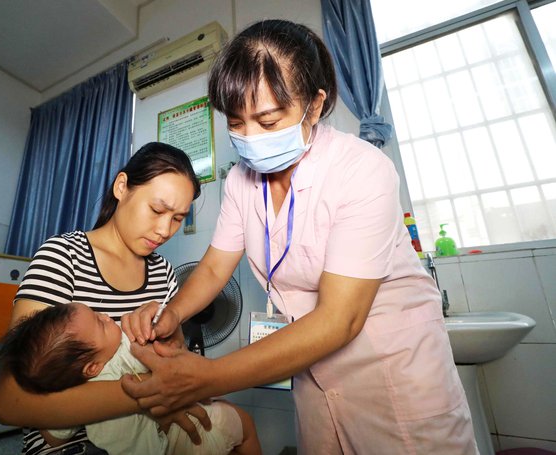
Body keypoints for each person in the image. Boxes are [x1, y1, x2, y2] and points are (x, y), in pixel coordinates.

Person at [120, 19, 479, 455]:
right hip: (312, 370)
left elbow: (339, 319)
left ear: (313, 106)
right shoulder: (240, 183)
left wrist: (205, 377)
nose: (250, 139)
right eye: (237, 123)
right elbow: (215, 265)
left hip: (393, 370)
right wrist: (172, 314)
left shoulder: (361, 171)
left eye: (268, 121)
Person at [0, 142, 217, 455]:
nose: (165, 230)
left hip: (152, 437)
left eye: (178, 218)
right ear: (122, 186)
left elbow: (174, 361)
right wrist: (152, 394)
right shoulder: (63, 257)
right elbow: (12, 403)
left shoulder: (163, 273)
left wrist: (171, 348)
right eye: (157, 210)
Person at [0, 302, 261, 455]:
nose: (107, 316)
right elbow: (173, 369)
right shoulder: (126, 349)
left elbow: (54, 437)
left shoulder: (74, 390)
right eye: (100, 322)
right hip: (178, 440)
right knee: (243, 423)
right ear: (92, 367)